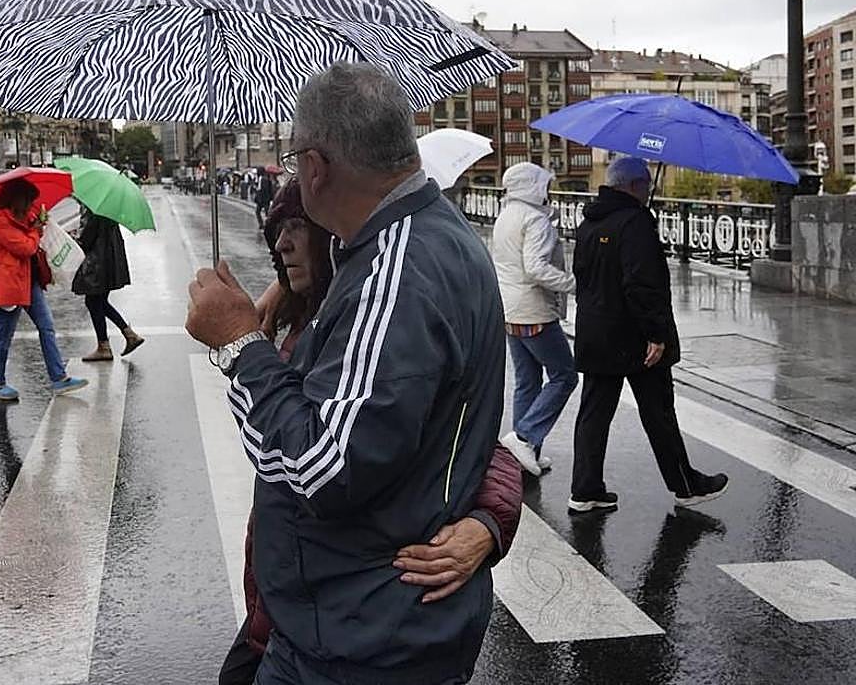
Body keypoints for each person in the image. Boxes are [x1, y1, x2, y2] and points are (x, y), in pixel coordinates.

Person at [187, 62, 506, 685]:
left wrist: (239, 346)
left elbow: (321, 470)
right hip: (357, 624)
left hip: (360, 639)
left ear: (314, 167)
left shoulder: (397, 273)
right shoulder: (423, 244)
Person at [569, 156, 728, 513]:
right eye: (646, 185)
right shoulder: (636, 223)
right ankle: (686, 486)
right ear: (635, 186)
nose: (649, 190)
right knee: (658, 413)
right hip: (636, 339)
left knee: (593, 415)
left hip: (596, 333)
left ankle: (585, 489)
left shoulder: (589, 223)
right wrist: (656, 334)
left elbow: (585, 278)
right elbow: (642, 285)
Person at [491, 162, 578, 477]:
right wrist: (573, 283)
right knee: (564, 376)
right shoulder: (535, 219)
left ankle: (523, 454)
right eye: (544, 185)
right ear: (533, 187)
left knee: (527, 381)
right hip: (534, 311)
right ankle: (524, 437)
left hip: (509, 310)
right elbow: (536, 268)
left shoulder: (506, 215)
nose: (548, 191)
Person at [0, 178, 87, 400]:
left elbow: (35, 229)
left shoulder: (24, 214)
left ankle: (59, 378)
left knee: (47, 326)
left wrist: (41, 222)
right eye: (28, 200)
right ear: (16, 199)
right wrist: (35, 232)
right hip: (9, 284)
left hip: (29, 282)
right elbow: (25, 248)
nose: (32, 204)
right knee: (4, 335)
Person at [72, 205, 144, 362]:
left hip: (97, 262)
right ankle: (128, 335)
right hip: (109, 258)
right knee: (99, 301)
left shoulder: (91, 206)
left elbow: (86, 237)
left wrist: (73, 238)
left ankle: (105, 346)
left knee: (93, 301)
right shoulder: (109, 205)